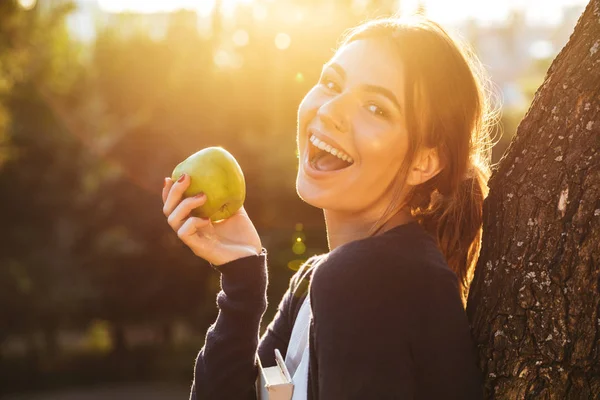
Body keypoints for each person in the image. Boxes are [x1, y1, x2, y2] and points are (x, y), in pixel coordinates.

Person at [162, 14, 497, 400]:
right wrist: (242, 280)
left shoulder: (372, 279)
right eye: (332, 83)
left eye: (376, 108)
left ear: (425, 161)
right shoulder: (318, 279)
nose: (330, 111)